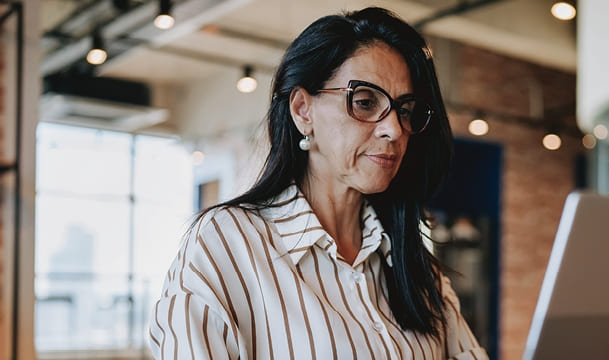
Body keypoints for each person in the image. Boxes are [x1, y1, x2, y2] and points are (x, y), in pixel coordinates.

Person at [148, 7, 487, 359]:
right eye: (366, 102)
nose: (394, 129)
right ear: (302, 111)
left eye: (405, 109)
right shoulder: (228, 244)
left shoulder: (417, 270)